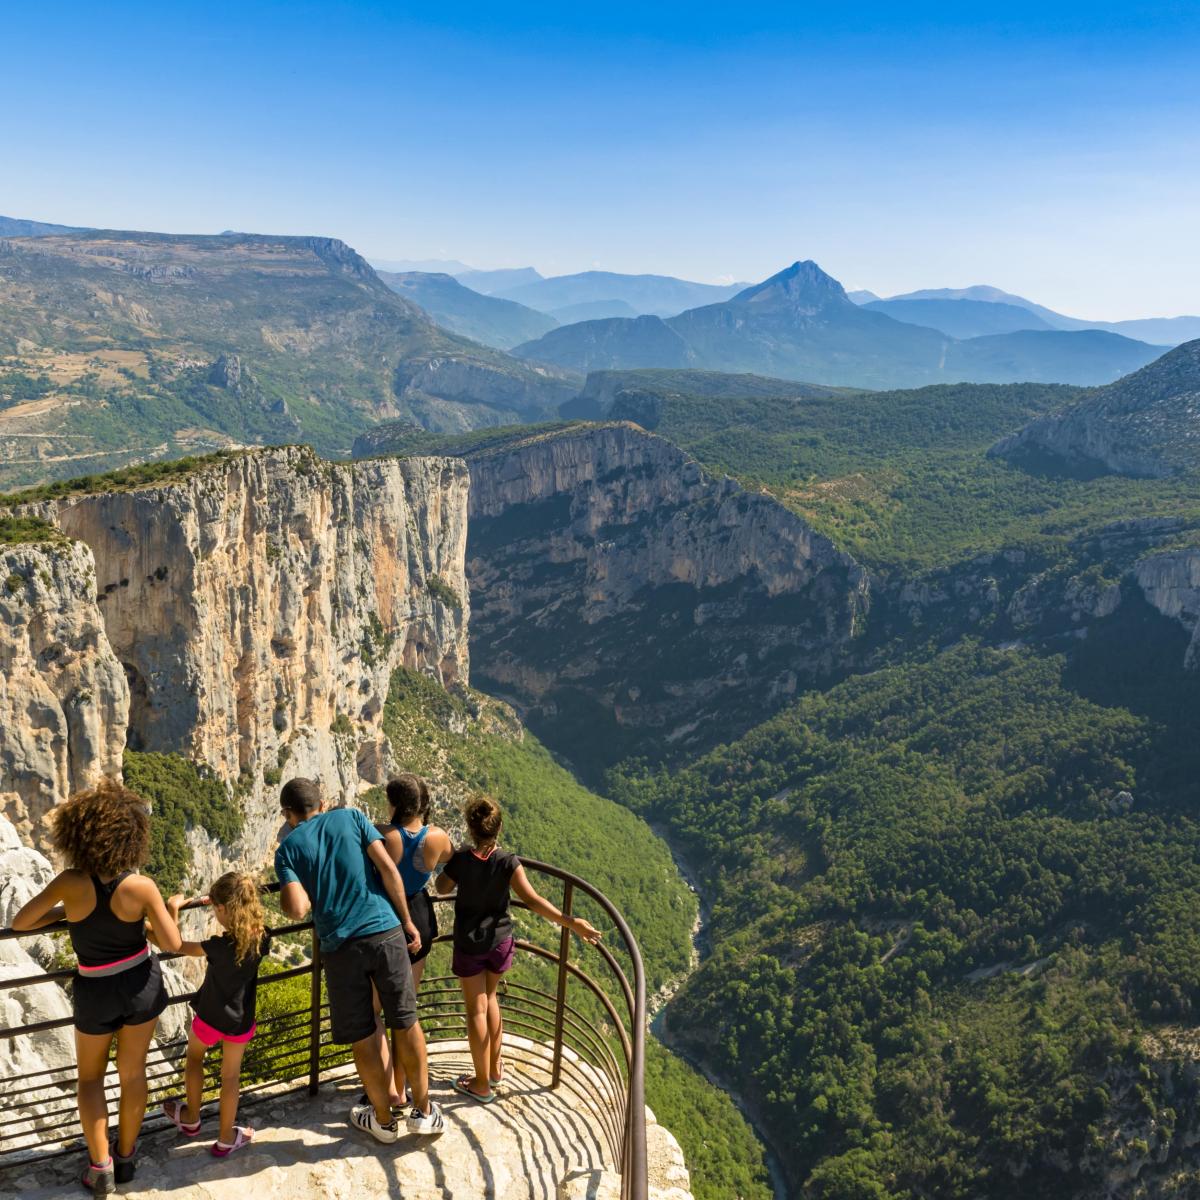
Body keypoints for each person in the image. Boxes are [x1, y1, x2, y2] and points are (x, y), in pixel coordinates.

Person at [11, 779, 183, 1195]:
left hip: (95, 989)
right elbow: (173, 944)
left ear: (79, 835)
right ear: (131, 836)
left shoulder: (70, 882)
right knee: (133, 1073)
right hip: (140, 984)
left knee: (89, 1080)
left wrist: (69, 916)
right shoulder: (141, 887)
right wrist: (171, 909)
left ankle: (100, 1165)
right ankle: (126, 1158)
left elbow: (21, 922)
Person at [274, 777, 444, 1144]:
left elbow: (298, 907)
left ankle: (382, 1120)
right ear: (321, 803)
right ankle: (425, 1112)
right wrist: (408, 921)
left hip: (339, 947)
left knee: (365, 1034)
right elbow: (388, 870)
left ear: (289, 814)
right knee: (406, 1019)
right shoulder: (351, 816)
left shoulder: (287, 849)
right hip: (386, 931)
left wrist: (291, 889)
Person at [436, 795, 602, 1103]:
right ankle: (495, 1069)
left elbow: (441, 888)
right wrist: (571, 922)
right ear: (499, 828)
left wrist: (451, 859)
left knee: (477, 1010)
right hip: (500, 943)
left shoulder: (461, 860)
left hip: (470, 945)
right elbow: (533, 900)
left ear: (470, 828)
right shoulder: (508, 862)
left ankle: (482, 1083)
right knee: (491, 998)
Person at [158, 872, 270, 1156]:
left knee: (195, 1058)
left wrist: (172, 909)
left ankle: (192, 1118)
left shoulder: (217, 947)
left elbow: (174, 944)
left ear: (222, 909)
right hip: (240, 1021)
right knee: (231, 1077)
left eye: (214, 908)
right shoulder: (263, 939)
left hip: (209, 1016)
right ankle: (224, 1138)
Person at [370, 773, 452, 1107]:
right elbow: (450, 861)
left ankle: (387, 1086)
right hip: (420, 914)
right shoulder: (438, 837)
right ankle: (404, 1088)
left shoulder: (382, 835)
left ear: (393, 803)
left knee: (376, 1010)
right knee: (405, 1011)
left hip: (386, 918)